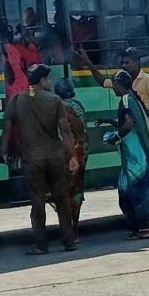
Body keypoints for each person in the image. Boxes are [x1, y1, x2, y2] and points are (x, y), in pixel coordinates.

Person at [1, 64, 77, 255]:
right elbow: (65, 131)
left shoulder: (17, 99)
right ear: (42, 80)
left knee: (37, 200)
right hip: (55, 156)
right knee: (62, 199)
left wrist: (3, 151)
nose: (50, 82)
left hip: (32, 158)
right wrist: (72, 156)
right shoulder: (54, 100)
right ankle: (68, 241)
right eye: (48, 79)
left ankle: (41, 245)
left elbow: (8, 127)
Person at [99, 71, 149, 239]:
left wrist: (115, 136)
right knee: (134, 191)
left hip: (134, 156)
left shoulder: (126, 100)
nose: (113, 88)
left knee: (130, 193)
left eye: (114, 85)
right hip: (137, 154)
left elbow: (127, 125)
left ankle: (142, 228)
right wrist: (110, 121)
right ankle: (144, 227)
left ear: (120, 85)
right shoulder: (132, 99)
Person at [54, 77, 89, 237]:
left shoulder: (62, 107)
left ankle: (69, 226)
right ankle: (74, 223)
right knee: (77, 188)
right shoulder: (78, 105)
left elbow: (65, 133)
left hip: (70, 153)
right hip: (82, 151)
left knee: (66, 189)